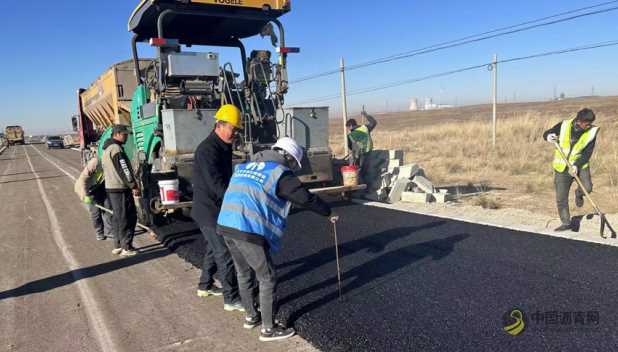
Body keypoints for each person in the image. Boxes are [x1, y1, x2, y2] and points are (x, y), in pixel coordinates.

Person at [217, 137, 333, 342]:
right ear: (286, 156)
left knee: (243, 273)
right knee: (267, 277)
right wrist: (327, 211)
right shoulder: (279, 172)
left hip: (226, 223)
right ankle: (268, 330)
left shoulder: (246, 166)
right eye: (292, 163)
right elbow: (304, 198)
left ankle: (251, 317)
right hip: (246, 228)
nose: (291, 167)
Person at [191, 104, 243, 311]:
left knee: (214, 249)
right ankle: (231, 299)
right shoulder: (207, 150)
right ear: (220, 125)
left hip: (217, 206)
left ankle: (204, 286)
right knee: (224, 252)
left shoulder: (224, 145)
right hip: (207, 209)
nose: (235, 132)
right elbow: (216, 183)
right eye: (233, 128)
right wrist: (235, 202)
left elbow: (226, 178)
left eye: (237, 129)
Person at [543, 108, 599, 232]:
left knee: (588, 188)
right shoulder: (564, 125)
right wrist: (548, 136)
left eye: (591, 123)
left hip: (580, 166)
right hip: (562, 168)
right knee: (561, 197)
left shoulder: (592, 132)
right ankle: (566, 223)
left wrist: (576, 165)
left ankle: (579, 194)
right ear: (579, 121)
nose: (589, 126)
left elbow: (587, 153)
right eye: (587, 123)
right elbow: (547, 133)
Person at [102, 124, 140, 256]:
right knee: (128, 217)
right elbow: (124, 169)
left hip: (111, 188)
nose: (127, 137)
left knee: (117, 217)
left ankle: (117, 245)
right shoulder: (116, 149)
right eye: (124, 135)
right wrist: (133, 185)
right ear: (117, 134)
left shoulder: (107, 149)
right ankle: (127, 247)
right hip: (120, 188)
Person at [74, 154, 112, 241]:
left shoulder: (111, 164)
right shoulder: (95, 162)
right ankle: (100, 233)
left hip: (98, 187)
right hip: (87, 189)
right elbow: (83, 179)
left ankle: (110, 232)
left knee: (107, 209)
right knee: (96, 213)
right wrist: (86, 195)